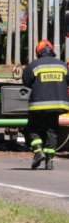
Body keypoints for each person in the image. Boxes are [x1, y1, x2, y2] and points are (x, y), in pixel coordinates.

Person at [22, 40, 69, 170]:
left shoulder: (34, 65)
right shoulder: (62, 65)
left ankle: (38, 152)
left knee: (32, 129)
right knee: (52, 131)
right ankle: (50, 161)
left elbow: (26, 82)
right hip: (58, 104)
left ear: (38, 51)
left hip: (38, 105)